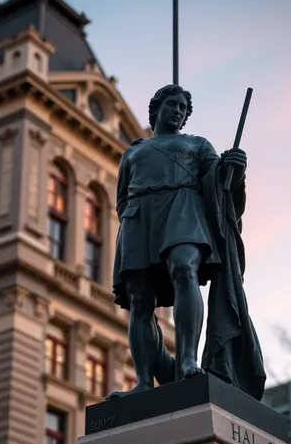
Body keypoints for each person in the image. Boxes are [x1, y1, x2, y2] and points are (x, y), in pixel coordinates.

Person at [107, 84, 266, 401]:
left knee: (184, 269)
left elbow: (220, 182)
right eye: (172, 104)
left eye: (183, 107)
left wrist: (235, 168)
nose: (178, 110)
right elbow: (122, 199)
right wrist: (137, 216)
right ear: (156, 110)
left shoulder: (197, 144)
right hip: (139, 216)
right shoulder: (133, 151)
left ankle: (188, 360)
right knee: (140, 300)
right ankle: (142, 381)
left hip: (183, 210)